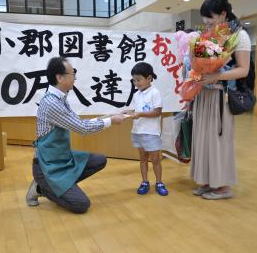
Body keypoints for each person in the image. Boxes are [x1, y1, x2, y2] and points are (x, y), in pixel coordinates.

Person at [25, 57, 126, 213]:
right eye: (72, 74)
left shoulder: (60, 98)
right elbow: (82, 128)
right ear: (60, 77)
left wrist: (109, 116)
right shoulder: (52, 103)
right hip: (47, 166)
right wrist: (111, 121)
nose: (75, 77)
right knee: (81, 204)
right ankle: (41, 187)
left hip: (61, 158)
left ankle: (59, 186)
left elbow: (77, 122)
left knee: (99, 160)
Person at [191, 0, 251, 199]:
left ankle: (223, 187)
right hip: (203, 95)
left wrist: (217, 75)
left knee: (218, 140)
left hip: (221, 97)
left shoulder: (239, 36)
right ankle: (208, 181)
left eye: (211, 18)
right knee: (203, 140)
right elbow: (198, 62)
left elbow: (243, 70)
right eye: (205, 19)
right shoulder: (208, 35)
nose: (207, 23)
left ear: (223, 13)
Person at [123, 62, 169, 196]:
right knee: (142, 159)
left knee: (155, 160)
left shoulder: (155, 93)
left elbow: (157, 112)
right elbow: (138, 110)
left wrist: (139, 114)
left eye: (139, 80)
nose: (136, 83)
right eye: (134, 80)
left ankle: (159, 182)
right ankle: (145, 182)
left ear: (149, 78)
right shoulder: (136, 94)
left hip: (151, 133)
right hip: (138, 131)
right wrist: (130, 111)